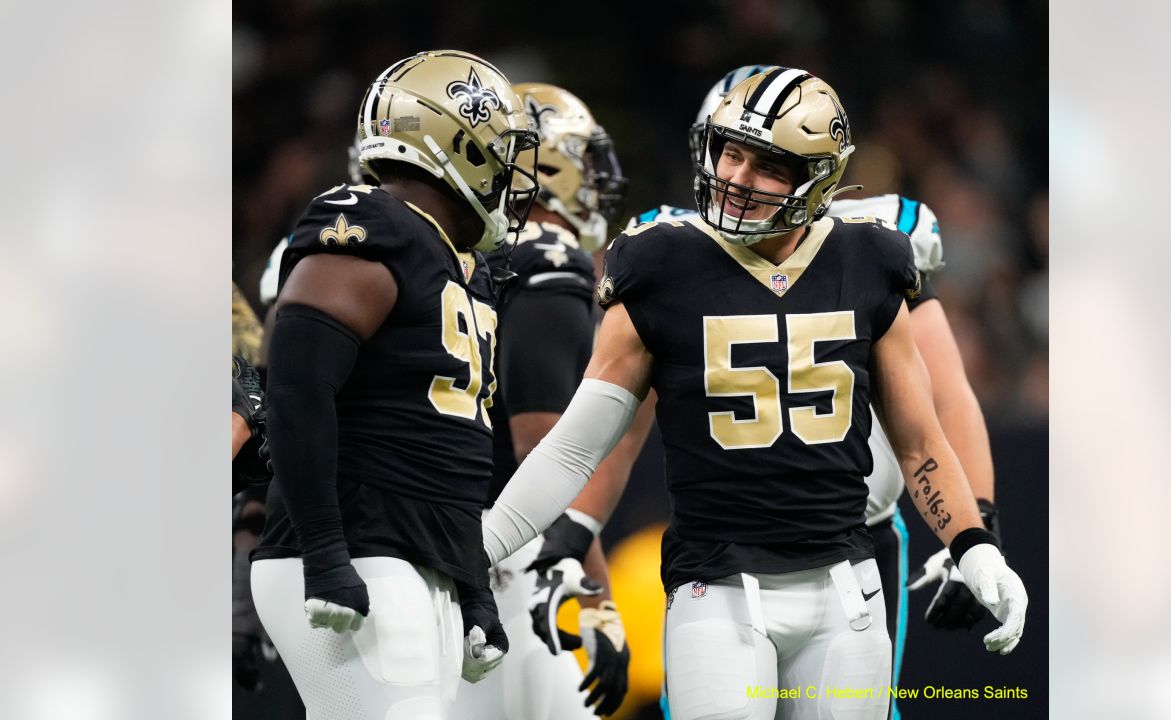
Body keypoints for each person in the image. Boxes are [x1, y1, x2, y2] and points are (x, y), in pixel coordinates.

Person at [483, 67, 1027, 720]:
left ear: (819, 177)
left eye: (767, 165)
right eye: (729, 151)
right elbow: (577, 447)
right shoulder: (659, 261)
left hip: (847, 585)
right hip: (718, 588)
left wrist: (974, 539)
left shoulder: (873, 256)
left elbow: (922, 436)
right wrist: (485, 549)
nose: (737, 177)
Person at [248, 50, 539, 720]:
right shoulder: (370, 221)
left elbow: (449, 450)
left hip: (412, 554)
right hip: (358, 546)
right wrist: (324, 550)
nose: (508, 172)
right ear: (460, 142)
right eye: (501, 149)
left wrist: (472, 588)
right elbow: (295, 381)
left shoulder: (455, 262)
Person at [447, 82, 644, 720]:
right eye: (581, 162)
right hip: (509, 553)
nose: (593, 183)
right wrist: (597, 602)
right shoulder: (548, 259)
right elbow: (548, 457)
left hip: (445, 538)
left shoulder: (469, 255)